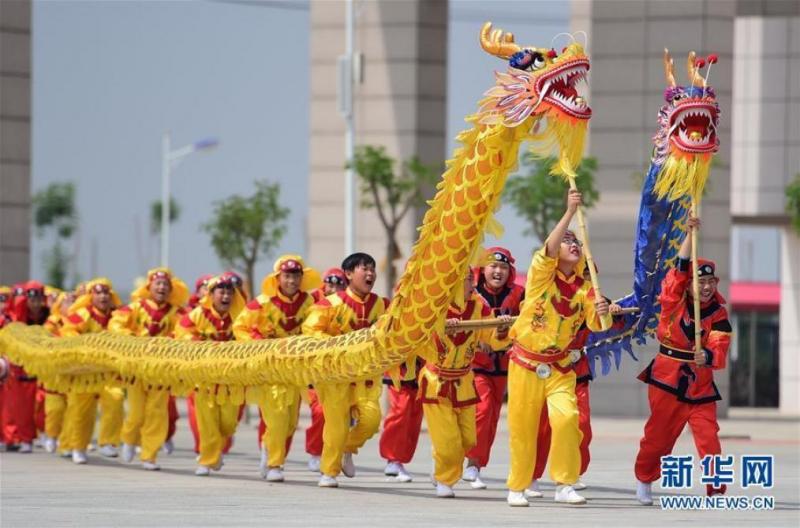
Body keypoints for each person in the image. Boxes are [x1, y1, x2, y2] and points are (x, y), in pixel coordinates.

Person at [505, 189, 611, 507]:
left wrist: (603, 310)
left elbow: (596, 325)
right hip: (525, 363)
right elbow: (548, 250)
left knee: (567, 420)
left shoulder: (585, 289)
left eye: (577, 243)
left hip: (561, 366)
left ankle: (565, 482)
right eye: (569, 241)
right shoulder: (541, 279)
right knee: (522, 429)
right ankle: (518, 486)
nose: (573, 246)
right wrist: (568, 212)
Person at [634, 215, 732, 505]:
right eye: (700, 282)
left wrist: (709, 355)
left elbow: (721, 344)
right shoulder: (673, 301)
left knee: (709, 439)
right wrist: (690, 233)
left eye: (711, 282)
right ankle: (644, 477)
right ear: (689, 283)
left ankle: (715, 492)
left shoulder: (718, 313)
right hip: (667, 379)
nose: (706, 287)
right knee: (659, 438)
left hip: (700, 385)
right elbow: (678, 270)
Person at [529, 263, 624, 496]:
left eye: (589, 275)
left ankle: (572, 474)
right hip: (546, 370)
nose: (585, 279)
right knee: (542, 430)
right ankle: (531, 477)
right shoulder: (549, 294)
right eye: (582, 274)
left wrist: (613, 312)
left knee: (581, 425)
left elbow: (613, 326)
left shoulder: (597, 300)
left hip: (576, 372)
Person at [302, 252, 388, 488]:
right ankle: (328, 472)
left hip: (366, 377)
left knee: (371, 420)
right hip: (335, 376)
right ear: (348, 274)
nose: (370, 273)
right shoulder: (331, 304)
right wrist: (337, 347)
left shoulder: (382, 305)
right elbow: (310, 331)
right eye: (364, 269)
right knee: (336, 427)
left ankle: (348, 448)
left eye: (372, 269)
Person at [233, 255, 320, 482]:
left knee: (290, 422)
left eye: (296, 276)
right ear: (278, 278)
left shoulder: (311, 303)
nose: (291, 281)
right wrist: (259, 344)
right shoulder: (262, 303)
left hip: (295, 371)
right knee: (277, 417)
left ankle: (268, 448)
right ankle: (275, 464)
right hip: (270, 370)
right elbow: (240, 326)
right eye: (287, 276)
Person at [419, 270, 498, 498]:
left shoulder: (479, 306)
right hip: (437, 380)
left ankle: (440, 465)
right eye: (465, 280)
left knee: (468, 439)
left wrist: (500, 327)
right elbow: (415, 331)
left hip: (464, 379)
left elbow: (492, 337)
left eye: (471, 279)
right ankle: (445, 479)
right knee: (449, 443)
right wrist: (441, 322)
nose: (471, 284)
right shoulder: (433, 304)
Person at [109, 268, 188, 470]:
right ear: (149, 287)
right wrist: (132, 338)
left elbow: (186, 331)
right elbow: (116, 324)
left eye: (165, 285)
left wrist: (171, 342)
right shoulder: (136, 307)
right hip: (137, 369)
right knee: (136, 412)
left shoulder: (177, 313)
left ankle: (149, 455)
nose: (161, 288)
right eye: (158, 284)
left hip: (161, 371)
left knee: (157, 413)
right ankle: (128, 440)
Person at [464, 247, 525, 489]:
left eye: (503, 267)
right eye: (493, 266)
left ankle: (477, 464)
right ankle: (470, 461)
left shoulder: (520, 295)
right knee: (483, 408)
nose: (497, 271)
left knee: (491, 419)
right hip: (477, 365)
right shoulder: (471, 294)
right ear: (483, 270)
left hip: (505, 366)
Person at [176, 275, 245, 476]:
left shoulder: (240, 316)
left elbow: (250, 334)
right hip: (203, 379)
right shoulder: (198, 314)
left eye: (229, 292)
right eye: (221, 292)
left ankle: (217, 449)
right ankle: (207, 460)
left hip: (230, 380)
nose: (225, 296)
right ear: (212, 294)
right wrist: (198, 344)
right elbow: (182, 331)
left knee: (228, 424)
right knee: (206, 423)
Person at [58, 278, 125, 464]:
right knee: (81, 412)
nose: (103, 296)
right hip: (84, 372)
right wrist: (86, 347)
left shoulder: (117, 314)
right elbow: (68, 332)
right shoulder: (82, 313)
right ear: (91, 296)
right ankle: (77, 447)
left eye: (106, 293)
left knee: (116, 398)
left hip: (108, 372)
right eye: (99, 293)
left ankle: (108, 442)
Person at [306, 267, 348, 472]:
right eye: (330, 284)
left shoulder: (347, 304)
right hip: (315, 367)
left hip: (342, 370)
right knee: (320, 411)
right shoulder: (313, 303)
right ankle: (315, 452)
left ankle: (342, 452)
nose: (334, 288)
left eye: (339, 285)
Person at [2, 281, 51, 453]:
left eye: (38, 298)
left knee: (44, 403)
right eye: (31, 298)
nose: (35, 303)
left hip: (44, 364)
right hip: (19, 366)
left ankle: (46, 434)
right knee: (17, 406)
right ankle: (18, 437)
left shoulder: (48, 315)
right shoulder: (14, 317)